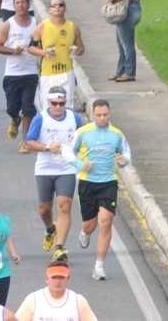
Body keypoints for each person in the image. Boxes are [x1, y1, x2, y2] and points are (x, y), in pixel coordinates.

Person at [69, 98, 133, 282]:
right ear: (92, 114)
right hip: (87, 182)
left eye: (105, 115)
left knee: (106, 220)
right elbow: (68, 152)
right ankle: (85, 232)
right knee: (90, 224)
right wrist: (81, 164)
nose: (102, 118)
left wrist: (124, 161)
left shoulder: (117, 134)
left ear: (109, 114)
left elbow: (127, 153)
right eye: (98, 115)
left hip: (108, 182)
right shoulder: (83, 132)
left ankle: (99, 265)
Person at [22, 86, 84, 256]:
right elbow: (29, 142)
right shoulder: (40, 118)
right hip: (45, 168)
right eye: (54, 103)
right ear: (48, 102)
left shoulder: (74, 118)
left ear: (65, 102)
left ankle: (59, 247)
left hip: (66, 168)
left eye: (61, 103)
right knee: (44, 209)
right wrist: (48, 147)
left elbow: (84, 136)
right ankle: (50, 228)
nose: (57, 107)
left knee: (64, 205)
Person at [0, 0, 40, 141]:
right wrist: (14, 51)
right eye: (17, 3)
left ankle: (25, 141)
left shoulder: (36, 23)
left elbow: (42, 43)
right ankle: (15, 119)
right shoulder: (8, 24)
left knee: (28, 108)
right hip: (12, 73)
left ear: (28, 4)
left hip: (30, 72)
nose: (20, 5)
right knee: (12, 108)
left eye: (23, 2)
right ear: (13, 6)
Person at [31, 0, 84, 110]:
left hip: (66, 72)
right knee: (47, 107)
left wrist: (76, 50)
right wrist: (44, 52)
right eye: (54, 5)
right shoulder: (42, 26)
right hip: (48, 73)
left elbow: (81, 48)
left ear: (65, 8)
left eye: (60, 5)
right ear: (49, 10)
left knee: (67, 106)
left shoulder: (72, 27)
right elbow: (31, 47)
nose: (57, 7)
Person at [15, 256, 97, 321]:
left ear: (68, 279)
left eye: (61, 277)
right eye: (54, 277)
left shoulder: (78, 301)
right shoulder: (33, 300)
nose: (58, 281)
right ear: (47, 279)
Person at [105, 0, 143, 83]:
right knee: (121, 43)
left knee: (126, 44)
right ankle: (120, 71)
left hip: (126, 11)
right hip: (133, 9)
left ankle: (129, 72)